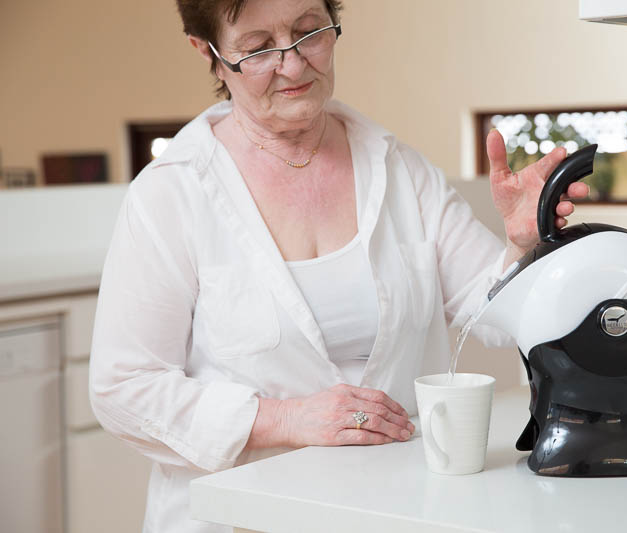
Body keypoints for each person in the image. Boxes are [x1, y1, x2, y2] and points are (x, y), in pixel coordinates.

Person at [89, 0, 589, 531]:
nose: (295, 65)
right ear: (209, 54)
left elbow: (490, 310)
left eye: (310, 32)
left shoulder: (399, 169)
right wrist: (285, 419)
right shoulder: (172, 192)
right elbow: (123, 387)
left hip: (390, 507)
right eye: (258, 50)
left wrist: (521, 244)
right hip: (239, 518)